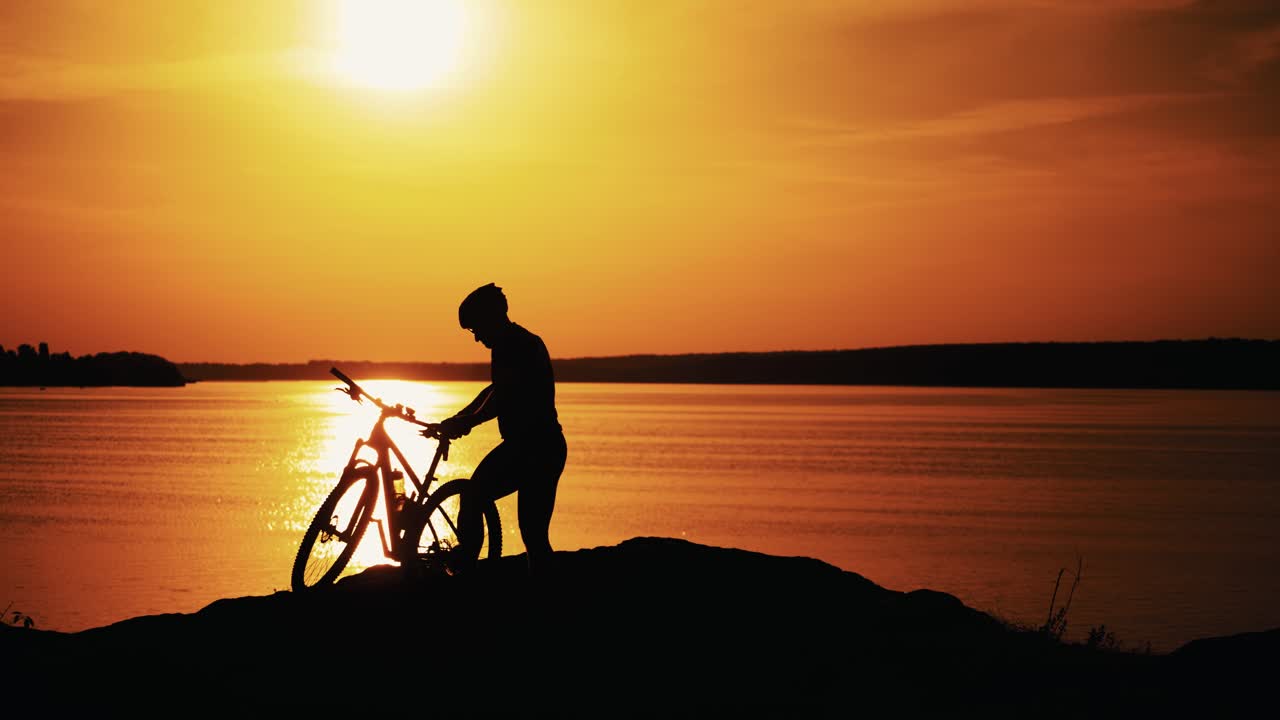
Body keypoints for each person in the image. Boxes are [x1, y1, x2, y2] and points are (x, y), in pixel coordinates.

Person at [435, 283, 567, 579]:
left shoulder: (519, 344)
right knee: (528, 531)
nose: (477, 338)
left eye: (476, 329)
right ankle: (471, 568)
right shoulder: (509, 343)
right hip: (532, 446)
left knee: (521, 526)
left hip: (536, 447)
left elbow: (503, 396)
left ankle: (467, 571)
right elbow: (493, 391)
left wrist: (467, 422)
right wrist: (459, 417)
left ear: (491, 318)